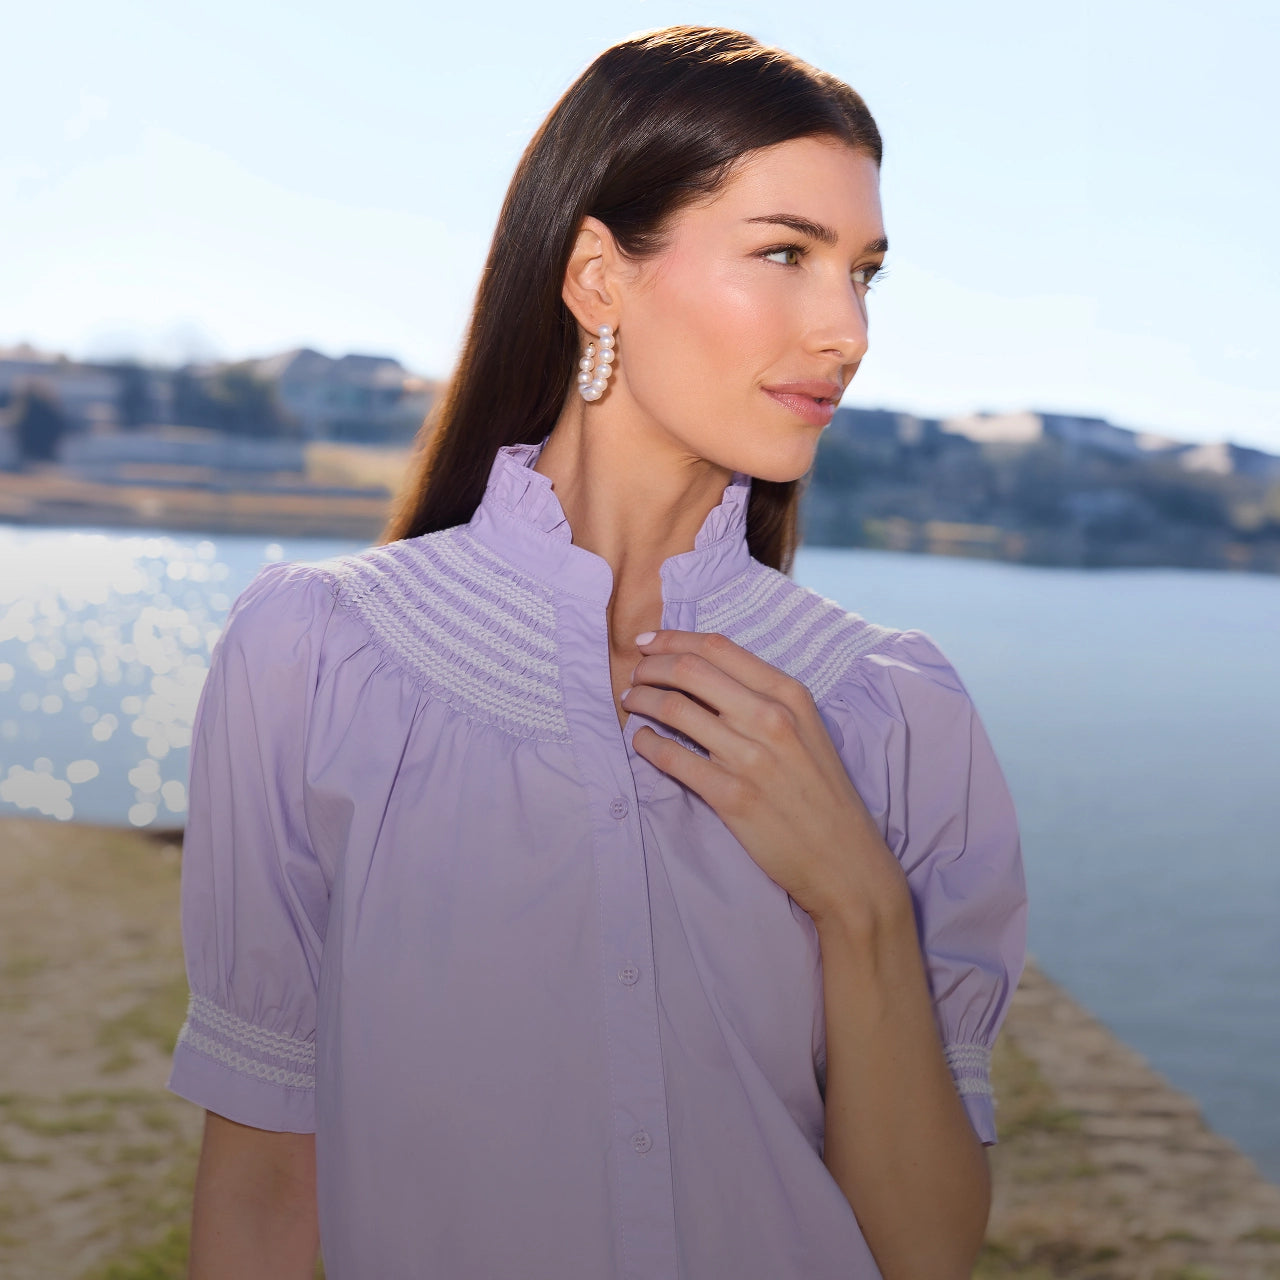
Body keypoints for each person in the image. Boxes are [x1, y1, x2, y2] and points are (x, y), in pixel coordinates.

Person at [167, 24, 1028, 1280]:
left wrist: (856, 899)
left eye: (863, 272)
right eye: (785, 253)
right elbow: (257, 1190)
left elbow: (929, 1247)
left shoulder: (894, 711)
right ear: (597, 276)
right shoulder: (314, 654)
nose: (844, 329)